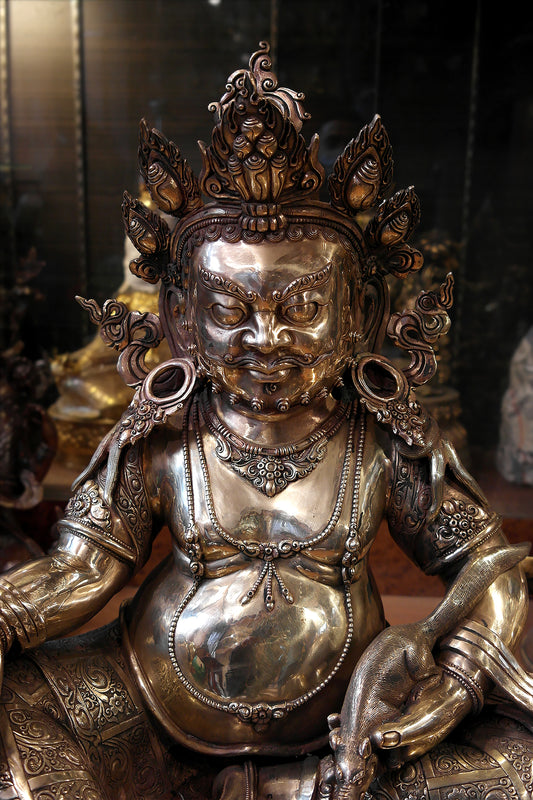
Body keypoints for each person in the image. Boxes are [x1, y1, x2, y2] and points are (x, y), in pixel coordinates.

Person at [1, 43, 532, 800]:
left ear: (359, 313)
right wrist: (7, 617)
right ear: (181, 316)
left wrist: (451, 688)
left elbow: (488, 569)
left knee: (517, 768)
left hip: (343, 737)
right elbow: (81, 569)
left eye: (303, 307)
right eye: (228, 308)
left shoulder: (383, 442)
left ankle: (291, 786)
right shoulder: (162, 440)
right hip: (144, 712)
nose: (266, 339)